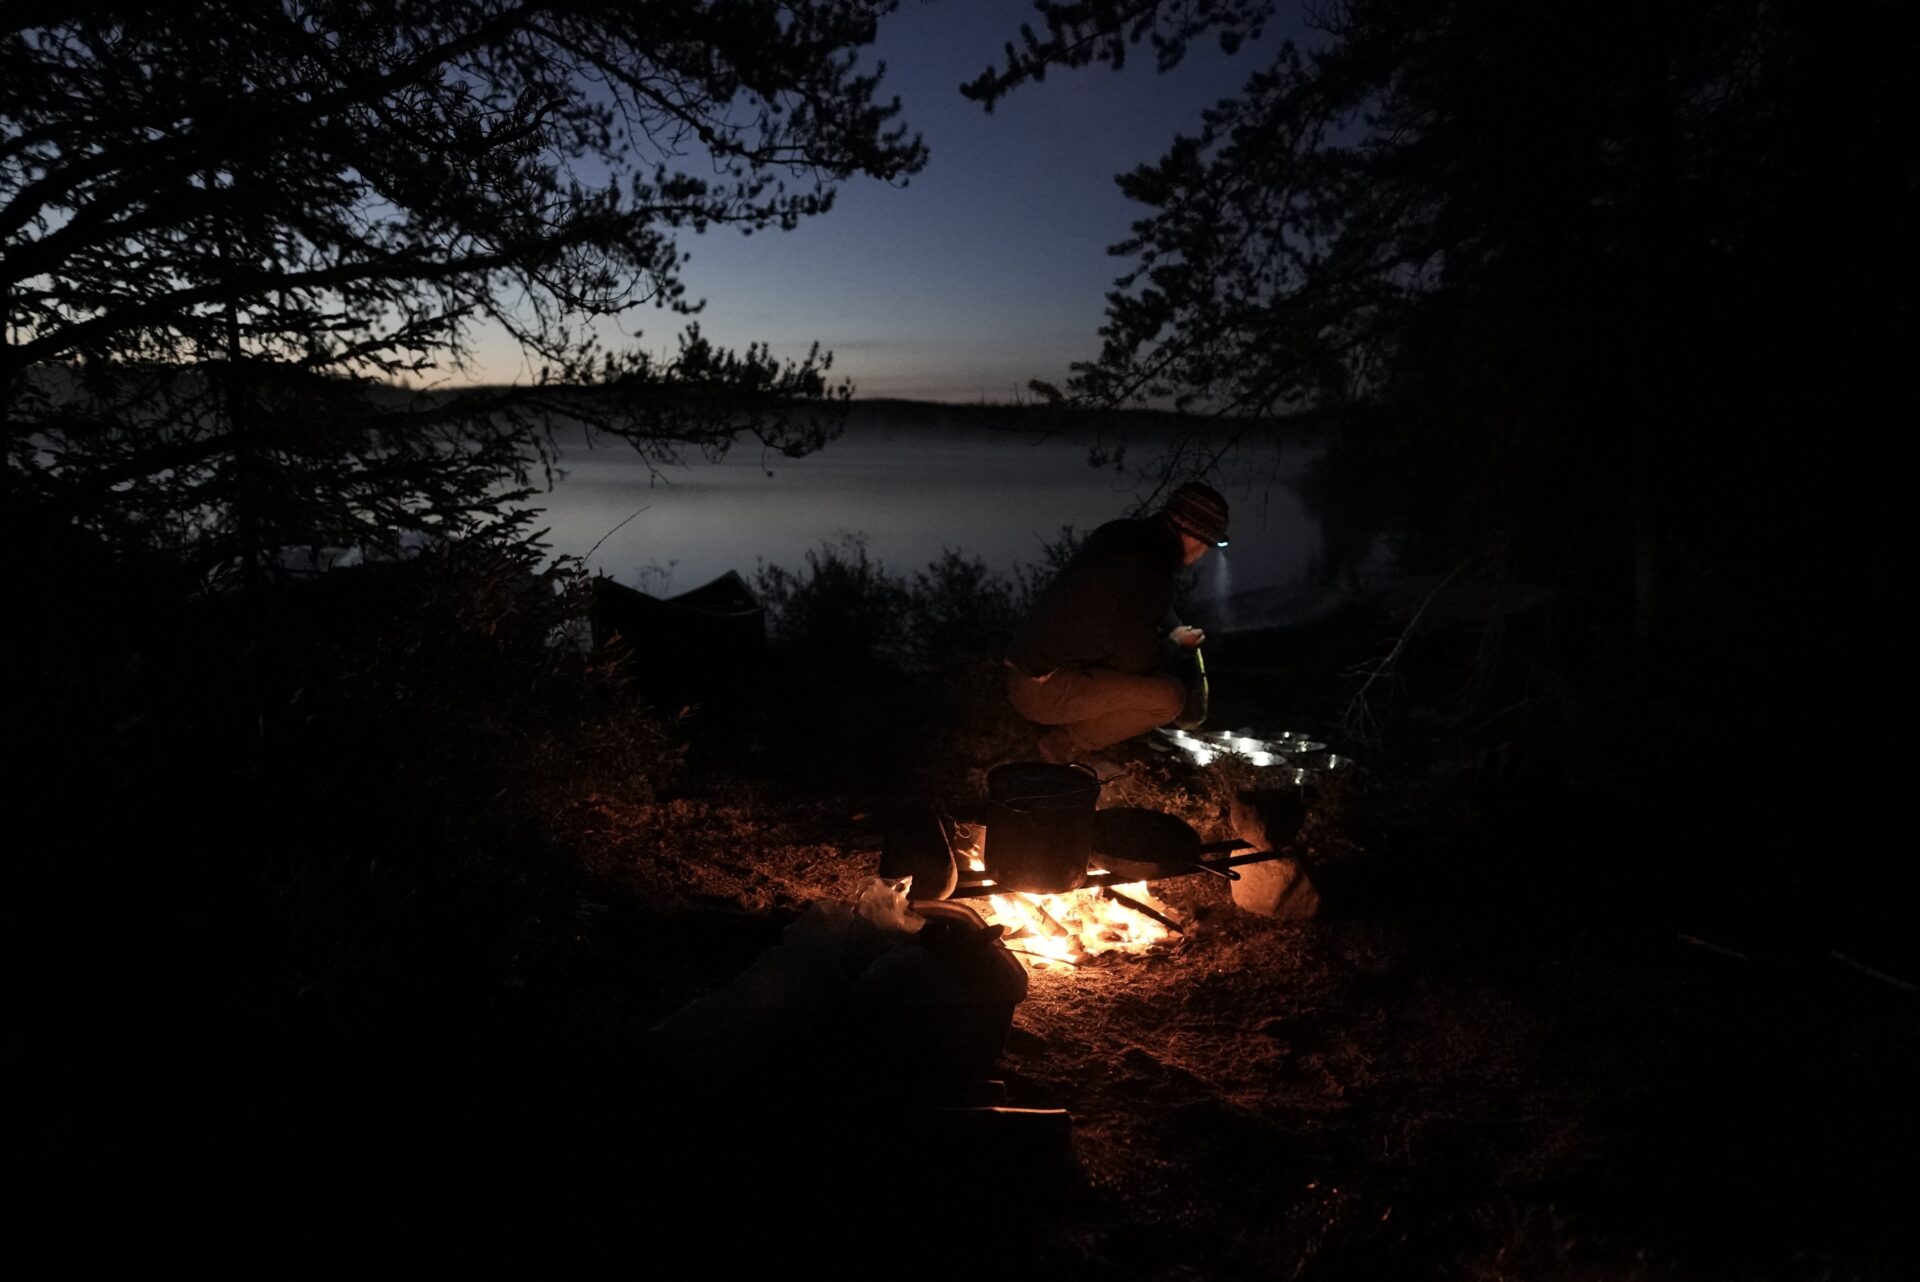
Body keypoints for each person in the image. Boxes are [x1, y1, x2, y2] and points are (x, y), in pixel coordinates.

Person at [1003, 481, 1230, 765]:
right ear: (1198, 537)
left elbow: (1134, 600)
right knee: (1168, 697)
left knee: (1138, 679)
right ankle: (1062, 745)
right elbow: (1137, 663)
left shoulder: (1121, 534)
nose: (1203, 555)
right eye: (1210, 544)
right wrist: (1174, 644)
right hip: (1042, 688)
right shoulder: (1151, 569)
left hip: (1023, 669)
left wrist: (1172, 625)